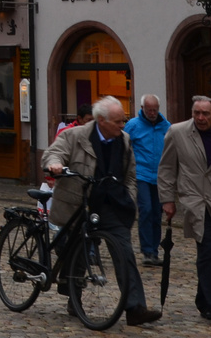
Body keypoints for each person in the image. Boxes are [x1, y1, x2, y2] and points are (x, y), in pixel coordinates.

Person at [43, 94, 159, 326]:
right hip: (80, 202)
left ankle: (135, 308)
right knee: (79, 251)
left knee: (125, 253)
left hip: (113, 205)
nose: (122, 125)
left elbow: (130, 176)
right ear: (101, 121)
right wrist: (55, 164)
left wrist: (130, 198)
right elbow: (53, 153)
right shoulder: (75, 136)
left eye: (123, 120)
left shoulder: (124, 140)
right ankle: (74, 298)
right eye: (118, 121)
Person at [160, 94, 211, 326]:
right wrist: (167, 199)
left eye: (205, 113)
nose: (200, 118)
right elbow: (166, 167)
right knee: (208, 252)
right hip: (196, 201)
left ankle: (204, 301)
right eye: (196, 113)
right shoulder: (178, 132)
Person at [125, 94, 169, 266]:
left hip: (159, 176)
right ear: (142, 108)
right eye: (149, 110)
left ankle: (154, 250)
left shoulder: (166, 126)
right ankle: (147, 251)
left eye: (155, 110)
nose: (152, 113)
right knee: (147, 210)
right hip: (141, 174)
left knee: (157, 214)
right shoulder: (133, 126)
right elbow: (124, 146)